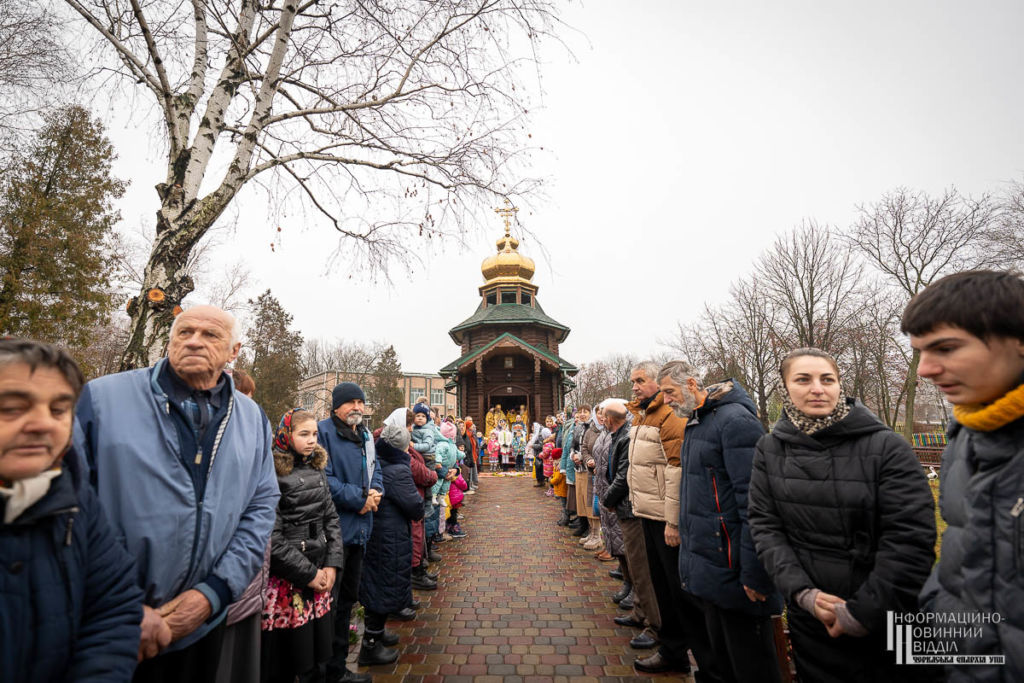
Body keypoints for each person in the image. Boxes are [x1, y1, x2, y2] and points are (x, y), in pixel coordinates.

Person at [75, 305, 280, 683]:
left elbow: (261, 507)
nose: (194, 341)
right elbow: (65, 508)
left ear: (234, 351)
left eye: (210, 335)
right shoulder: (101, 400)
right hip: (109, 626)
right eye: (184, 332)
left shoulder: (251, 419)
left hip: (203, 624)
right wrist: (117, 604)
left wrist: (213, 594)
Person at [748, 347, 936, 682]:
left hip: (889, 616)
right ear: (785, 387)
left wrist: (864, 612)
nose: (817, 388)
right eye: (803, 379)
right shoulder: (770, 448)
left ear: (840, 386)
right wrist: (804, 595)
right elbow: (765, 526)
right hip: (813, 619)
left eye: (827, 379)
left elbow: (910, 538)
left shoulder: (887, 446)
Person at [905, 270, 1024, 681]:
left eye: (946, 348)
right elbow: (956, 568)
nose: (925, 370)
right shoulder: (964, 435)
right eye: (920, 351)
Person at [1, 339, 142, 682]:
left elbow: (114, 605)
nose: (43, 424)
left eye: (59, 409)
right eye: (12, 408)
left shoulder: (76, 497)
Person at [659, 361, 780, 682]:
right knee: (721, 663)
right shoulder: (700, 422)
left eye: (670, 392)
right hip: (712, 568)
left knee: (750, 667)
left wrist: (756, 574)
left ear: (693, 383)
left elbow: (756, 502)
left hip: (737, 572)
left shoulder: (735, 422)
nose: (667, 400)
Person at [262, 409, 344, 683]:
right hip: (290, 581)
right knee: (288, 661)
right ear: (286, 435)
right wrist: (309, 574)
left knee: (318, 657)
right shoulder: (272, 473)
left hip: (320, 574)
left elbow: (330, 517)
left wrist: (332, 563)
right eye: (304, 434)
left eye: (315, 434)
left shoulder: (316, 468)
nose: (312, 441)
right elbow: (272, 537)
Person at [625, 361, 687, 674]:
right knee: (660, 584)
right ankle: (670, 646)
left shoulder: (669, 416)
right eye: (633, 381)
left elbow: (674, 470)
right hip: (646, 512)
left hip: (664, 517)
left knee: (674, 587)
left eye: (640, 380)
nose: (634, 387)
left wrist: (673, 521)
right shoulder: (642, 415)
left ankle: (677, 650)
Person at [319, 382, 382, 683]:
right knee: (328, 607)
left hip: (360, 531)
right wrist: (360, 500)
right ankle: (324, 670)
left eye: (361, 402)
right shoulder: (323, 433)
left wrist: (376, 491)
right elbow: (324, 479)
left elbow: (375, 467)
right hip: (334, 534)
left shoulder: (365, 435)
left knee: (346, 603)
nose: (357, 407)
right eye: (350, 402)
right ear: (336, 406)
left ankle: (339, 667)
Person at [358, 422, 425, 666]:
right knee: (384, 583)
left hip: (379, 531)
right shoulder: (398, 469)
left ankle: (376, 633)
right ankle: (371, 644)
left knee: (378, 581)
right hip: (390, 534)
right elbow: (414, 505)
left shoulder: (377, 460)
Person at [600, 399, 661, 652]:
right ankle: (639, 611)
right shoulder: (618, 435)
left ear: (610, 419)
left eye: (603, 416)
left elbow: (624, 474)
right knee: (635, 566)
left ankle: (653, 622)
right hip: (624, 506)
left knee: (641, 567)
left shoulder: (626, 437)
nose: (601, 420)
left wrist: (608, 499)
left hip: (631, 506)